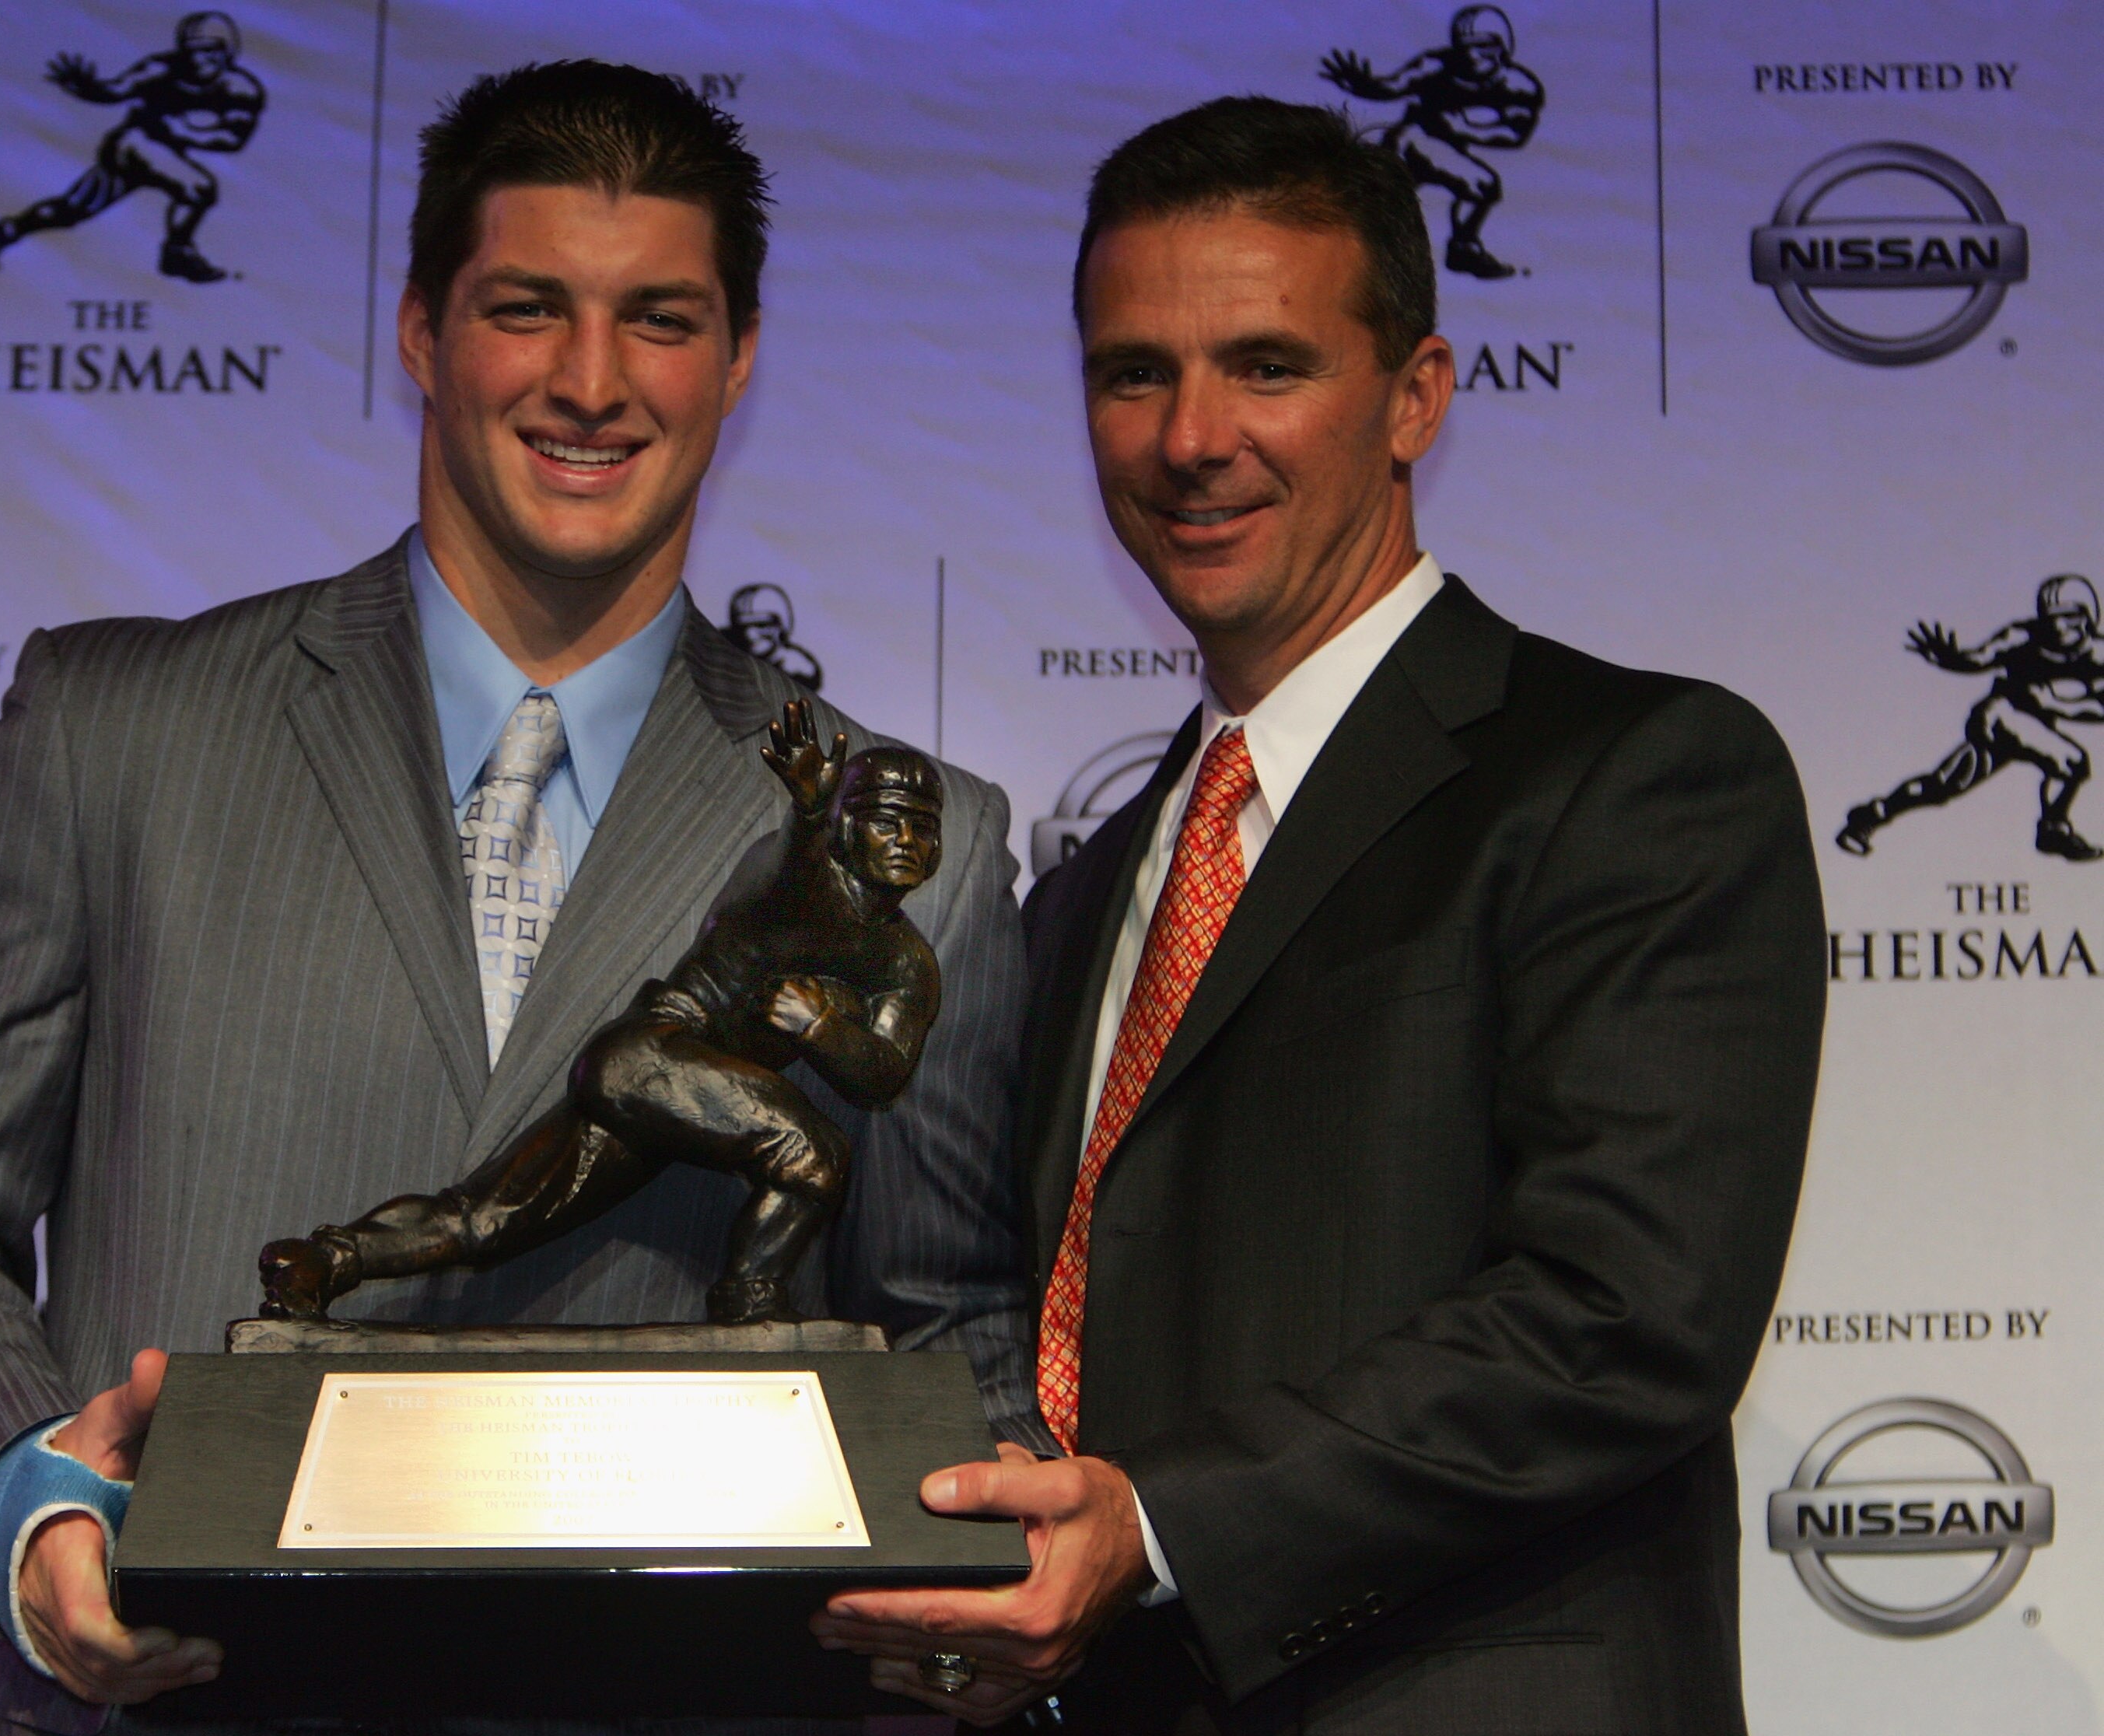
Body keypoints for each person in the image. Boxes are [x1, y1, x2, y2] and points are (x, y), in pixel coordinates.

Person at [0, 60, 1039, 1730]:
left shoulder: (910, 840)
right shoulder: (114, 729)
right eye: (528, 308)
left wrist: (996, 1580)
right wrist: (33, 1500)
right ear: (419, 332)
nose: (590, 381)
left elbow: (949, 1332)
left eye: (659, 321)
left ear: (739, 358)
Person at [813, 95, 1824, 1733]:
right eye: (1132, 373)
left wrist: (1158, 1527)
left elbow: (1624, 1316)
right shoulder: (1084, 889)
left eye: (1266, 366)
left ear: (1415, 394)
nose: (1190, 437)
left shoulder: (1635, 777)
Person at [259, 704, 947, 1326]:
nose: (905, 842)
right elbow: (794, 876)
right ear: (846, 826)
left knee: (489, 1220)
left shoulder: (906, 962)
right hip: (650, 1056)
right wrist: (807, 816)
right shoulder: (793, 875)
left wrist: (822, 1028)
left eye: (923, 829)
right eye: (885, 822)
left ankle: (325, 1262)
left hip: (689, 1099)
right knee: (812, 1152)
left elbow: (881, 1077)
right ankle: (750, 1299)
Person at [0, 11, 265, 283]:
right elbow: (116, 90)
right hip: (133, 145)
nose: (200, 59)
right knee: (197, 188)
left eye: (210, 51)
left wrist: (182, 131)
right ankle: (177, 254)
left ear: (227, 52)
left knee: (71, 210)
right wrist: (88, 88)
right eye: (194, 50)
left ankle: (5, 232)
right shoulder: (161, 68)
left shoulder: (242, 89)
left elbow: (233, 139)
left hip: (165, 150)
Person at [1836, 574, 2104, 862]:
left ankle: (1871, 815)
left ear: (2087, 617)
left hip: (2033, 726)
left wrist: (2057, 704)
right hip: (2000, 716)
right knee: (2070, 761)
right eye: (2051, 617)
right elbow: (1979, 658)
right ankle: (2053, 830)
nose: (2058, 625)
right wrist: (1950, 658)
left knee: (1940, 786)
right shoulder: (2023, 636)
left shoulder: (2098, 654)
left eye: (2068, 616)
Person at [1321, 6, 1544, 279]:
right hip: (1412, 142)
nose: (1474, 55)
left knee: (1481, 187)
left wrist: (1464, 129)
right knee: (1376, 202)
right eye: (1467, 47)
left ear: (1502, 47)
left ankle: (1462, 248)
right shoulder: (1436, 65)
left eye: (1483, 46)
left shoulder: (1519, 85)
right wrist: (1364, 85)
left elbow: (1515, 134)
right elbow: (1393, 86)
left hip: (1445, 149)